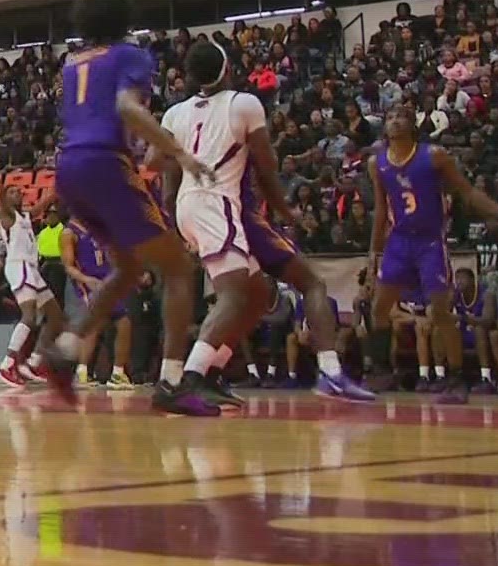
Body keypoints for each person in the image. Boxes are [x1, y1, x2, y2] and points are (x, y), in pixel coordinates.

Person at [160, 40, 375, 408]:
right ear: (227, 69)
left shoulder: (173, 114)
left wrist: (178, 226)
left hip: (189, 207)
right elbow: (267, 167)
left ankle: (210, 371)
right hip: (224, 205)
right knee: (277, 288)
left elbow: (167, 182)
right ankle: (193, 377)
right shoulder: (243, 103)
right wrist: (286, 212)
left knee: (258, 294)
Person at [36, 0, 212, 412]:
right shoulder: (129, 55)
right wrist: (180, 154)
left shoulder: (72, 63)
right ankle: (172, 382)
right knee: (178, 268)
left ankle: (66, 346)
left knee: (129, 267)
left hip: (70, 168)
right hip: (105, 165)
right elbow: (127, 108)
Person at [366, 103, 498, 403]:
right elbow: (380, 211)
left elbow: (468, 192)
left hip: (429, 242)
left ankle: (455, 378)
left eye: (401, 117)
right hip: (399, 241)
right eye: (389, 117)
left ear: (413, 125)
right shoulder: (378, 164)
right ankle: (380, 370)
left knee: (440, 311)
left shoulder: (434, 156)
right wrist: (373, 254)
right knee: (378, 309)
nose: (395, 121)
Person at [0, 176, 62, 388]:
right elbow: (0, 193)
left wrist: (62, 185)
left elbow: (46, 201)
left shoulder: (26, 217)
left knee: (56, 316)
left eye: (19, 191)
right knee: (29, 315)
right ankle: (7, 363)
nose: (17, 193)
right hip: (18, 266)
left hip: (32, 268)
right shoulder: (8, 216)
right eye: (12, 191)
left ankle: (32, 362)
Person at [63, 220, 132, 390]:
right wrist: (87, 280)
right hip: (89, 282)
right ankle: (86, 372)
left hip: (108, 279)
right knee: (103, 323)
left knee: (121, 322)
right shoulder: (69, 232)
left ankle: (113, 373)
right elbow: (68, 267)